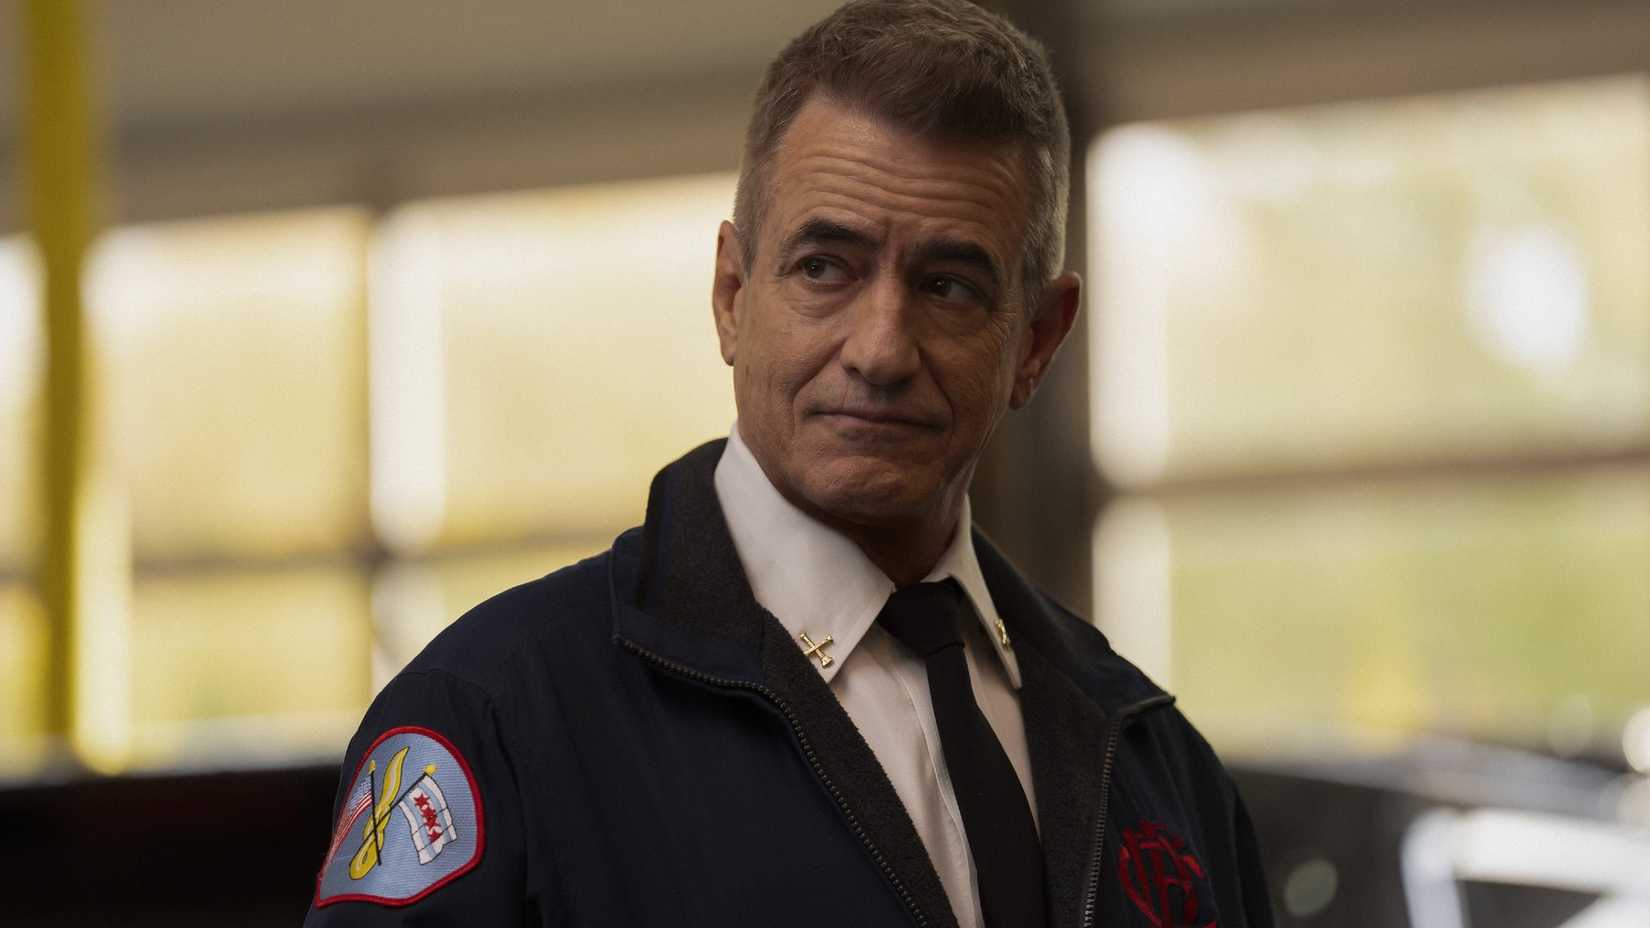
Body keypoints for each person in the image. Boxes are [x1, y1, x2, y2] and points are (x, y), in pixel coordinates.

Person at [304, 1, 1275, 925]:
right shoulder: (497, 717)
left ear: (1038, 341)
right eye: (824, 267)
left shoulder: (1155, 761)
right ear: (732, 294)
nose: (881, 350)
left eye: (948, 286)